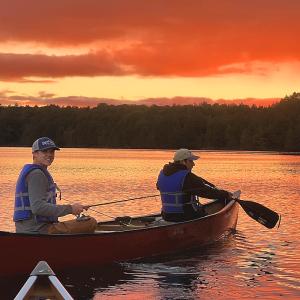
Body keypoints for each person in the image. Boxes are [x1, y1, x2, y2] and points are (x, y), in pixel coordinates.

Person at [13, 137, 97, 234]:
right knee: (91, 223)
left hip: (30, 228)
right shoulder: (37, 174)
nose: (49, 155)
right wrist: (70, 209)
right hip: (38, 230)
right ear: (35, 153)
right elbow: (38, 207)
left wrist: (74, 208)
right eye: (45, 151)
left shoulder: (35, 172)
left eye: (52, 152)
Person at [157, 148, 232, 222]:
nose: (193, 164)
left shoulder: (162, 173)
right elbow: (207, 192)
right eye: (191, 161)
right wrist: (225, 194)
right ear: (183, 161)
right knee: (203, 211)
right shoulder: (187, 177)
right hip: (184, 216)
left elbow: (159, 186)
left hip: (166, 215)